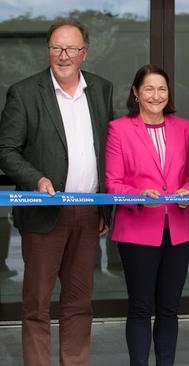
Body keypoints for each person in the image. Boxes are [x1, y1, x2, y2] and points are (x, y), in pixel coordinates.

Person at [0, 19, 113, 365]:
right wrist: (36, 179)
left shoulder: (101, 89)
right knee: (36, 302)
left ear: (84, 53)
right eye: (56, 48)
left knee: (79, 302)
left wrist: (106, 207)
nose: (63, 55)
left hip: (89, 211)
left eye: (71, 49)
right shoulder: (24, 92)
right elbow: (6, 149)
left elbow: (109, 147)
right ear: (48, 50)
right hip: (44, 212)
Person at [105, 64, 189, 365]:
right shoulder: (119, 129)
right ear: (135, 92)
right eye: (148, 88)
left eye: (162, 88)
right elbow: (113, 183)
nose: (156, 95)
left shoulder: (184, 127)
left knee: (170, 307)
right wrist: (138, 196)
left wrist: (188, 190)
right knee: (141, 306)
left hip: (178, 227)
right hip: (138, 229)